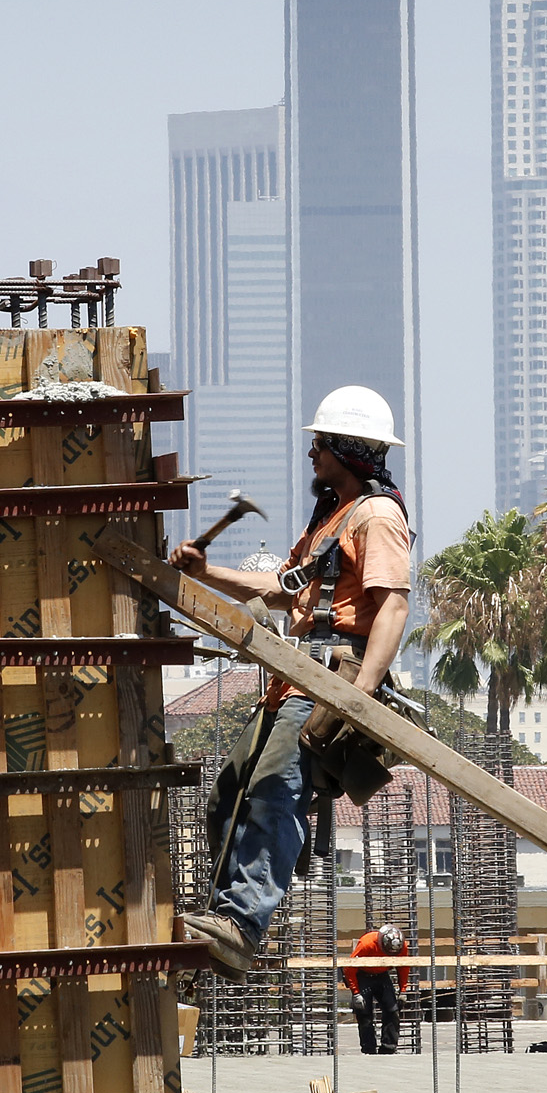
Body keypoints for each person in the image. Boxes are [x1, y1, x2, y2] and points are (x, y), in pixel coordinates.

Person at [174, 386, 412, 977]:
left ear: (345, 447)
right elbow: (280, 589)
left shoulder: (378, 516)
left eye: (319, 444)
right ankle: (225, 914)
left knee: (274, 792)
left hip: (328, 680)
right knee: (230, 791)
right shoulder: (334, 517)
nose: (312, 454)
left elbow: (393, 608)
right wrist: (208, 575)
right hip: (294, 677)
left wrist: (356, 697)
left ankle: (243, 921)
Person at [343, 922, 412, 1054]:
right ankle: (368, 1049)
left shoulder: (401, 946)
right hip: (362, 975)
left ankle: (388, 1047)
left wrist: (403, 989)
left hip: (382, 975)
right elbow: (349, 968)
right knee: (363, 1012)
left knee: (392, 1010)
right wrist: (356, 992)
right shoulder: (367, 943)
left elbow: (403, 967)